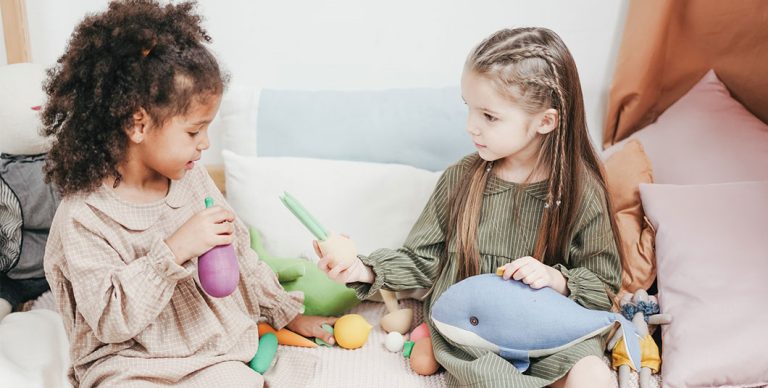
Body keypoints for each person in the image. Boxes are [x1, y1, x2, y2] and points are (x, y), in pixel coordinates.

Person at [41, 1, 335, 386]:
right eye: (194, 132)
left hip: (213, 352)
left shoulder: (191, 180)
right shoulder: (84, 216)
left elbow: (240, 254)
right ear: (138, 124)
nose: (205, 144)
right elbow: (111, 320)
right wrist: (176, 248)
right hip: (126, 363)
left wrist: (284, 312)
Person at [316, 27, 622, 387]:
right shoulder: (461, 178)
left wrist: (557, 279)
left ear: (545, 121)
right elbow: (420, 260)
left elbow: (604, 286)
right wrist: (361, 270)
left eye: (489, 117)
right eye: (469, 108)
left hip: (547, 331)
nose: (470, 127)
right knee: (491, 377)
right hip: (474, 335)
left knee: (593, 373)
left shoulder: (580, 191)